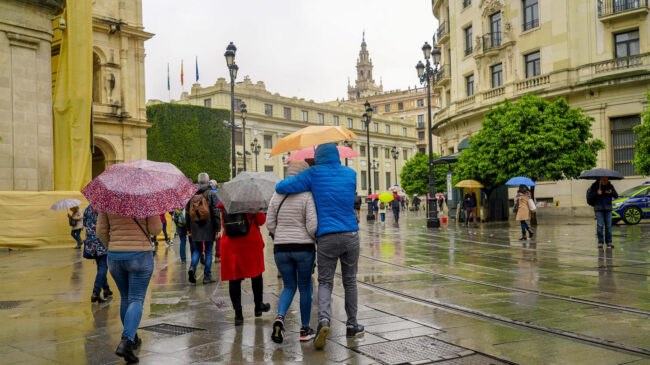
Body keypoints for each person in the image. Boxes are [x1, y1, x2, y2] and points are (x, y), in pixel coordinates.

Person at [275, 142, 364, 349]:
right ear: (337, 155)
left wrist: (309, 181)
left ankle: (324, 320)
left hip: (327, 236)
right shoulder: (350, 173)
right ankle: (352, 325)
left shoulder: (313, 173)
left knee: (325, 282)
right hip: (351, 233)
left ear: (319, 157)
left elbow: (282, 187)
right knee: (350, 281)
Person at [97, 211, 162, 363]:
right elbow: (156, 229)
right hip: (140, 255)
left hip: (115, 256)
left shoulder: (107, 200)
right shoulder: (146, 199)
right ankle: (126, 341)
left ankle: (132, 336)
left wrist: (112, 246)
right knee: (137, 298)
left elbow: (101, 231)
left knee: (126, 297)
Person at [267, 161, 318, 343]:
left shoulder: (276, 194)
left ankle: (280, 318)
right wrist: (310, 237)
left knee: (289, 286)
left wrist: (280, 234)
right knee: (305, 288)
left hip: (281, 248)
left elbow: (269, 224)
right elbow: (313, 226)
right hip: (303, 248)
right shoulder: (307, 195)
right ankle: (304, 329)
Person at [219, 201, 270, 326]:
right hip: (250, 242)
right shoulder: (251, 202)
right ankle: (258, 306)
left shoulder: (225, 204)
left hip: (231, 244)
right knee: (256, 274)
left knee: (234, 278)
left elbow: (223, 223)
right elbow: (261, 221)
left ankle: (238, 314)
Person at [185, 173, 221, 284]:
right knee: (209, 251)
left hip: (195, 226)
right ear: (207, 181)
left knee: (197, 250)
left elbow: (187, 212)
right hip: (209, 226)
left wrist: (189, 229)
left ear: (198, 181)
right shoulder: (211, 193)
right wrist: (218, 229)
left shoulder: (191, 193)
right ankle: (207, 276)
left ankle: (192, 267)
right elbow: (216, 212)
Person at [83, 204, 112, 303]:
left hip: (91, 243)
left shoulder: (88, 208)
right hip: (102, 242)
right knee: (103, 266)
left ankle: (106, 289)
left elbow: (84, 224)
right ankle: (96, 292)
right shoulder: (104, 209)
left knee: (100, 266)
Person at [587, 177, 618, 249]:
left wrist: (611, 192)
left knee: (608, 226)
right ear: (600, 179)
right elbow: (590, 196)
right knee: (600, 226)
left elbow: (616, 195)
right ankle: (600, 242)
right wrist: (597, 193)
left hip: (608, 208)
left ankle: (609, 242)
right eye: (604, 180)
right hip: (598, 208)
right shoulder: (595, 186)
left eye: (606, 180)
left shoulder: (610, 186)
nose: (605, 181)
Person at [209, 179, 222, 263]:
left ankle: (203, 251)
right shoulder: (217, 193)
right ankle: (217, 256)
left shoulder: (204, 192)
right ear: (215, 185)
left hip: (206, 218)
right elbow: (220, 205)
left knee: (206, 237)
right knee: (218, 236)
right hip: (216, 216)